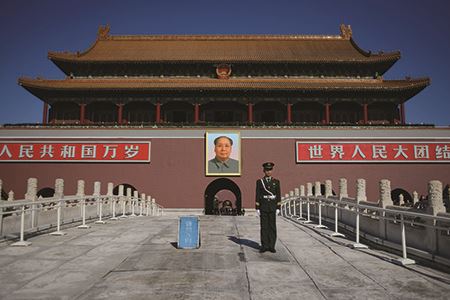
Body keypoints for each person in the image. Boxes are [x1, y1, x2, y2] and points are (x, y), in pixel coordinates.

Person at [255, 162, 281, 253]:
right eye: (267, 170)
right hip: (264, 206)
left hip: (273, 206)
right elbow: (258, 194)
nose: (268, 172)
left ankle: (272, 246)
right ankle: (264, 246)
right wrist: (257, 207)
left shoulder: (276, 182)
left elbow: (278, 194)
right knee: (264, 227)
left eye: (270, 170)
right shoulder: (260, 182)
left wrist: (278, 207)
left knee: (272, 227)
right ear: (264, 171)